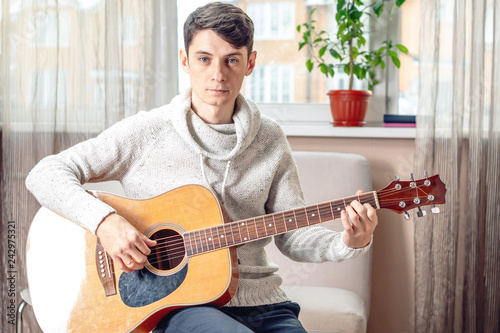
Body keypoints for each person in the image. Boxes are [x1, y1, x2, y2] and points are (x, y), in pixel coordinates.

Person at [26, 2, 377, 332]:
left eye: (231, 61)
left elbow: (293, 235)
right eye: (205, 59)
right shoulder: (147, 131)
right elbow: (45, 174)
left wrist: (349, 240)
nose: (218, 74)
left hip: (265, 303)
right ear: (185, 59)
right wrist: (105, 222)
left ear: (250, 63)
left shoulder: (270, 138)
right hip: (178, 304)